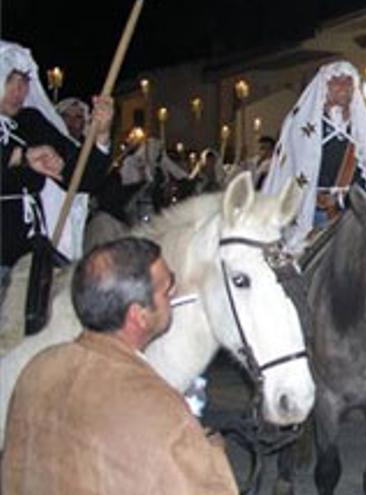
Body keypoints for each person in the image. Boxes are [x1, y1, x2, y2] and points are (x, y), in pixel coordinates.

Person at [1, 237, 238, 494]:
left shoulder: (39, 368)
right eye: (166, 287)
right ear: (139, 316)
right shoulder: (158, 409)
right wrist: (212, 451)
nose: (173, 292)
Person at [261, 60, 366, 250]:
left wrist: (349, 201)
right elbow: (293, 171)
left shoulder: (361, 128)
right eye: (336, 81)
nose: (343, 86)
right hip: (311, 212)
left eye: (348, 82)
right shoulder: (302, 124)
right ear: (324, 86)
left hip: (352, 214)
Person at [0, 40, 114, 265]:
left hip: (27, 254)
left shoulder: (31, 122)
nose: (18, 90)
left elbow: (78, 175)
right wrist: (21, 157)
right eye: (8, 80)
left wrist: (100, 136)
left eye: (23, 81)